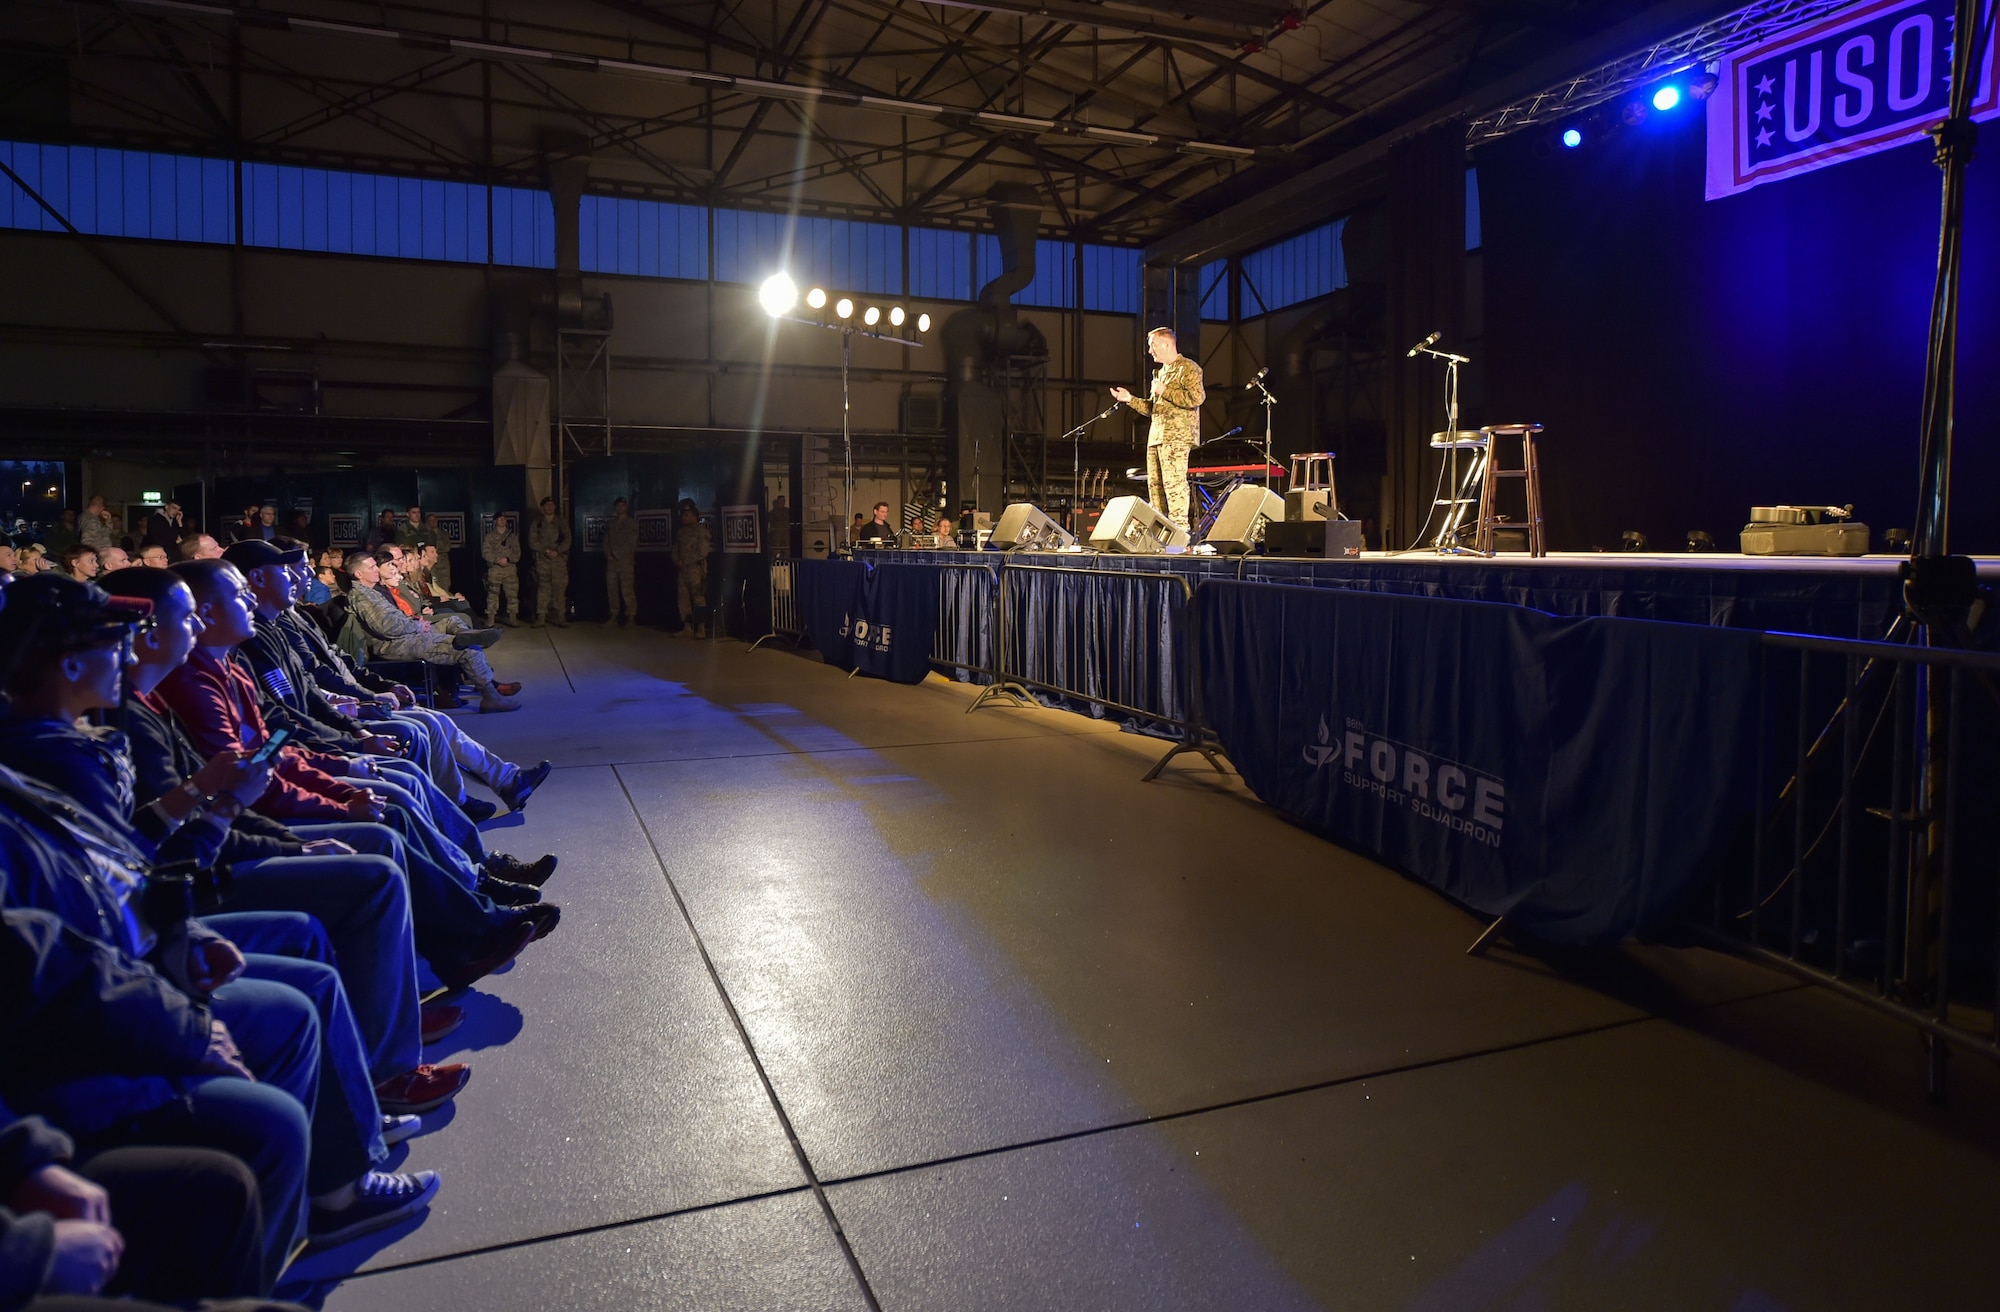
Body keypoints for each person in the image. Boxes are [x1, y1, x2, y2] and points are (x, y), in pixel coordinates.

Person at [344, 553, 519, 713]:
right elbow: (389, 628)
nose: (377, 569)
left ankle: (467, 634)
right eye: (372, 567)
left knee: (450, 621)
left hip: (405, 633)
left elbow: (395, 622)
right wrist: (418, 626)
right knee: (467, 649)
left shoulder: (371, 591)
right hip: (393, 644)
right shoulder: (361, 596)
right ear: (359, 574)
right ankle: (491, 698)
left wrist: (415, 624)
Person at [1110, 325, 1206, 533]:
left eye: (1153, 346)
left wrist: (1166, 390)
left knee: (1174, 484)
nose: (1150, 351)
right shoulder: (1161, 373)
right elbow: (1153, 408)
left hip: (1176, 437)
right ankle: (1162, 531)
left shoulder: (1188, 368)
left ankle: (1180, 530)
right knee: (1156, 486)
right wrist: (1129, 399)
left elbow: (1196, 398)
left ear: (1166, 344)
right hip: (1157, 436)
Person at [671, 503, 712, 639]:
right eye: (683, 515)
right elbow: (675, 550)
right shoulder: (681, 532)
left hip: (696, 570)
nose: (684, 517)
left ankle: (701, 629)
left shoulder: (702, 532)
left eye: (687, 515)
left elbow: (702, 552)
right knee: (683, 600)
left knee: (698, 599)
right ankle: (687, 628)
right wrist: (678, 561)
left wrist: (687, 562)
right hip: (682, 571)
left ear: (695, 517)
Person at [528, 497, 570, 628]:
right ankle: (541, 617)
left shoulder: (561, 522)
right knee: (543, 589)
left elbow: (568, 539)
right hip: (543, 561)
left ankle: (561, 617)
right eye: (547, 505)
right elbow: (532, 541)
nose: (550, 507)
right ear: (543, 507)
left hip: (558, 561)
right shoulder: (537, 523)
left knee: (560, 590)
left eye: (552, 505)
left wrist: (557, 551)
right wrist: (546, 551)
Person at [479, 515, 521, 628]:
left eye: (503, 518)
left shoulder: (512, 536)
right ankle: (491, 618)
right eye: (499, 519)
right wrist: (497, 560)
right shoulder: (489, 536)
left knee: (512, 594)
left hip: (510, 569)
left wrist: (508, 559)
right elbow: (485, 552)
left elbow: (517, 552)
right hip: (495, 569)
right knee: (492, 594)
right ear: (495, 521)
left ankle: (513, 617)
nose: (502, 521)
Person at [603, 498, 638, 627]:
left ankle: (630, 617)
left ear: (626, 507)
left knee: (627, 590)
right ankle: (614, 616)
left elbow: (632, 543)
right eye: (618, 505)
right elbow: (606, 541)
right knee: (612, 590)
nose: (620, 508)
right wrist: (608, 554)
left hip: (625, 563)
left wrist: (616, 554)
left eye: (623, 505)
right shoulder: (611, 524)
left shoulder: (631, 523)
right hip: (612, 563)